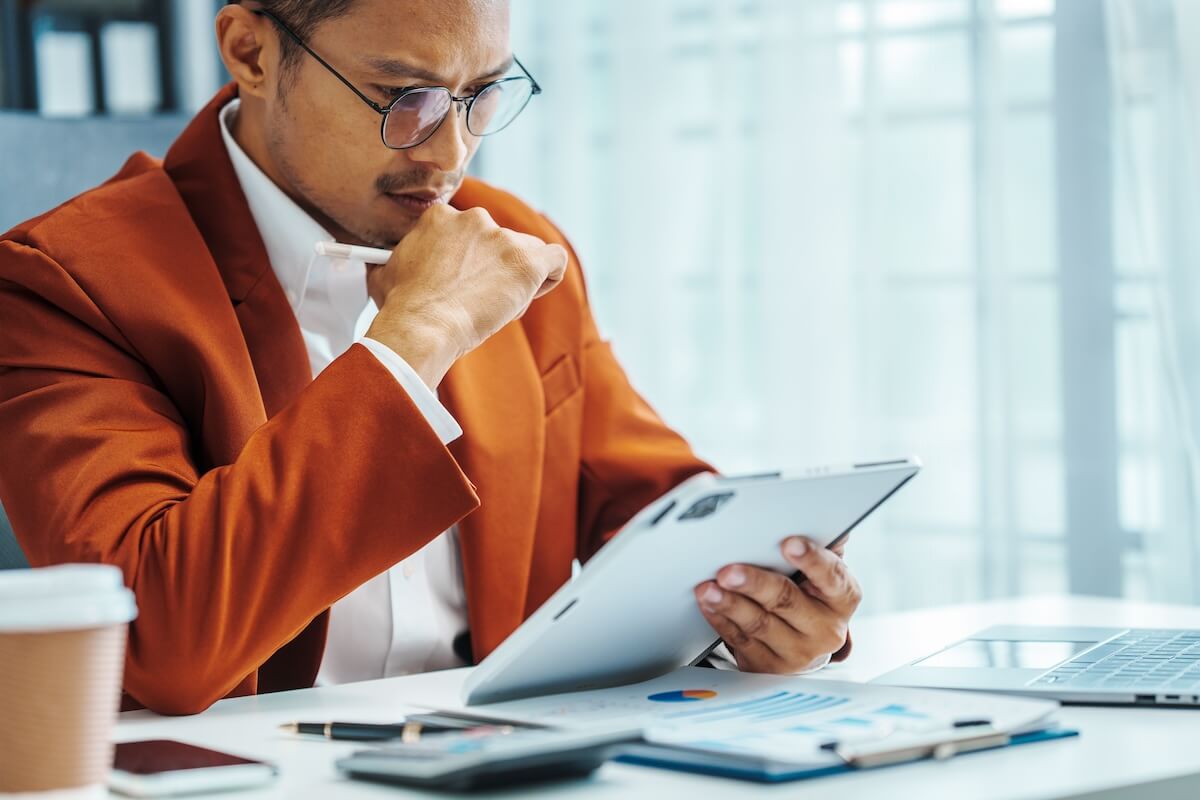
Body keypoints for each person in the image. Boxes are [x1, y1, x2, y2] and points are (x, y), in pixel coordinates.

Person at [0, 0, 861, 715]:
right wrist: (416, 339)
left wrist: (768, 616)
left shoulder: (518, 247)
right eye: (403, 95)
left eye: (482, 95)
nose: (449, 153)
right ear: (251, 51)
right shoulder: (62, 282)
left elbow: (658, 521)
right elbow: (161, 642)